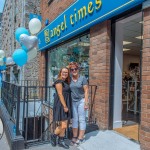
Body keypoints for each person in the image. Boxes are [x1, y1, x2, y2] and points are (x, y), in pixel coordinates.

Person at [51, 67, 72, 149]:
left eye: (66, 72)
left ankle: (61, 140)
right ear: (60, 72)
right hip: (61, 104)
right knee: (63, 125)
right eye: (63, 72)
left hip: (66, 103)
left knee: (64, 124)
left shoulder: (66, 81)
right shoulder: (58, 81)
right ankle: (53, 135)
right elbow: (60, 94)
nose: (65, 73)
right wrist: (65, 106)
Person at [69, 62, 89, 146]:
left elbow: (86, 90)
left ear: (78, 69)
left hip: (81, 100)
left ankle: (80, 137)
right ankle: (74, 136)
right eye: (72, 69)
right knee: (74, 119)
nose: (74, 70)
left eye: (75, 69)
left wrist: (86, 102)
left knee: (81, 119)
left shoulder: (83, 78)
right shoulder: (69, 78)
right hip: (73, 101)